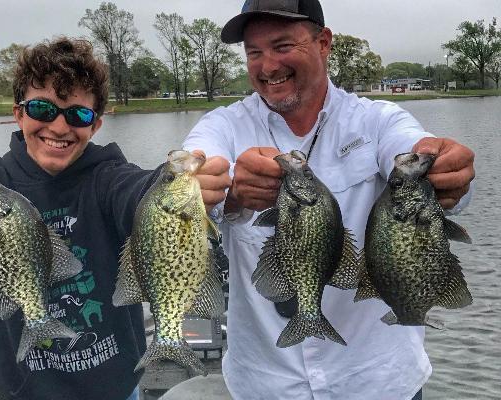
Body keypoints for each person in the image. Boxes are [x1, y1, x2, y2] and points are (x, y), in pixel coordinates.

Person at [0, 37, 230, 400]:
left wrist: (172, 185)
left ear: (96, 125)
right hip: (22, 391)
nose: (59, 127)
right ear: (18, 113)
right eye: (43, 109)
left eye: (78, 114)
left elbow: (136, 192)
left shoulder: (108, 177)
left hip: (116, 389)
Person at [183, 1, 475, 399]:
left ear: (323, 43)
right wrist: (228, 191)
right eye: (254, 52)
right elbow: (195, 170)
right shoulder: (223, 125)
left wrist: (446, 172)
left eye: (282, 46)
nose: (267, 66)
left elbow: (412, 149)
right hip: (265, 385)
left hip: (378, 382)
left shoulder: (377, 120)